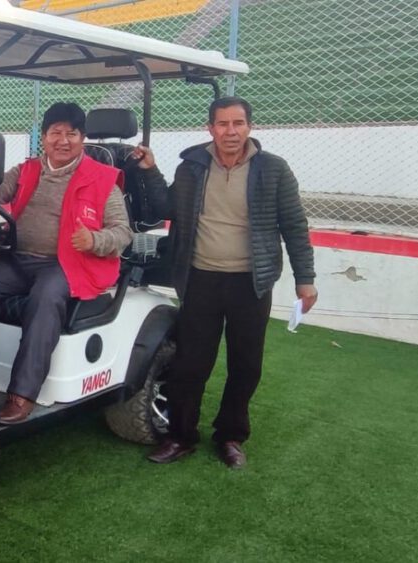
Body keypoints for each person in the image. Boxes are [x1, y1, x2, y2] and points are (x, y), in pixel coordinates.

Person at [134, 96, 318, 468]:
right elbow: (167, 209)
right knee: (190, 365)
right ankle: (181, 436)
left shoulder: (273, 170)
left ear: (249, 126)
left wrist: (306, 279)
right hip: (201, 278)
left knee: (246, 365)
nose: (230, 132)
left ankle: (231, 436)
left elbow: (295, 227)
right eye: (222, 124)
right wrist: (152, 171)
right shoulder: (192, 167)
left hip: (251, 283)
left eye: (238, 124)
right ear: (210, 128)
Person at [0, 102, 132, 425]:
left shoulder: (103, 179)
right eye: (55, 133)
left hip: (67, 265)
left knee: (46, 299)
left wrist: (95, 240)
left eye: (71, 134)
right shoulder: (28, 170)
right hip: (18, 258)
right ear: (44, 138)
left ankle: (22, 395)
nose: (63, 140)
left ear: (82, 138)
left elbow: (122, 232)